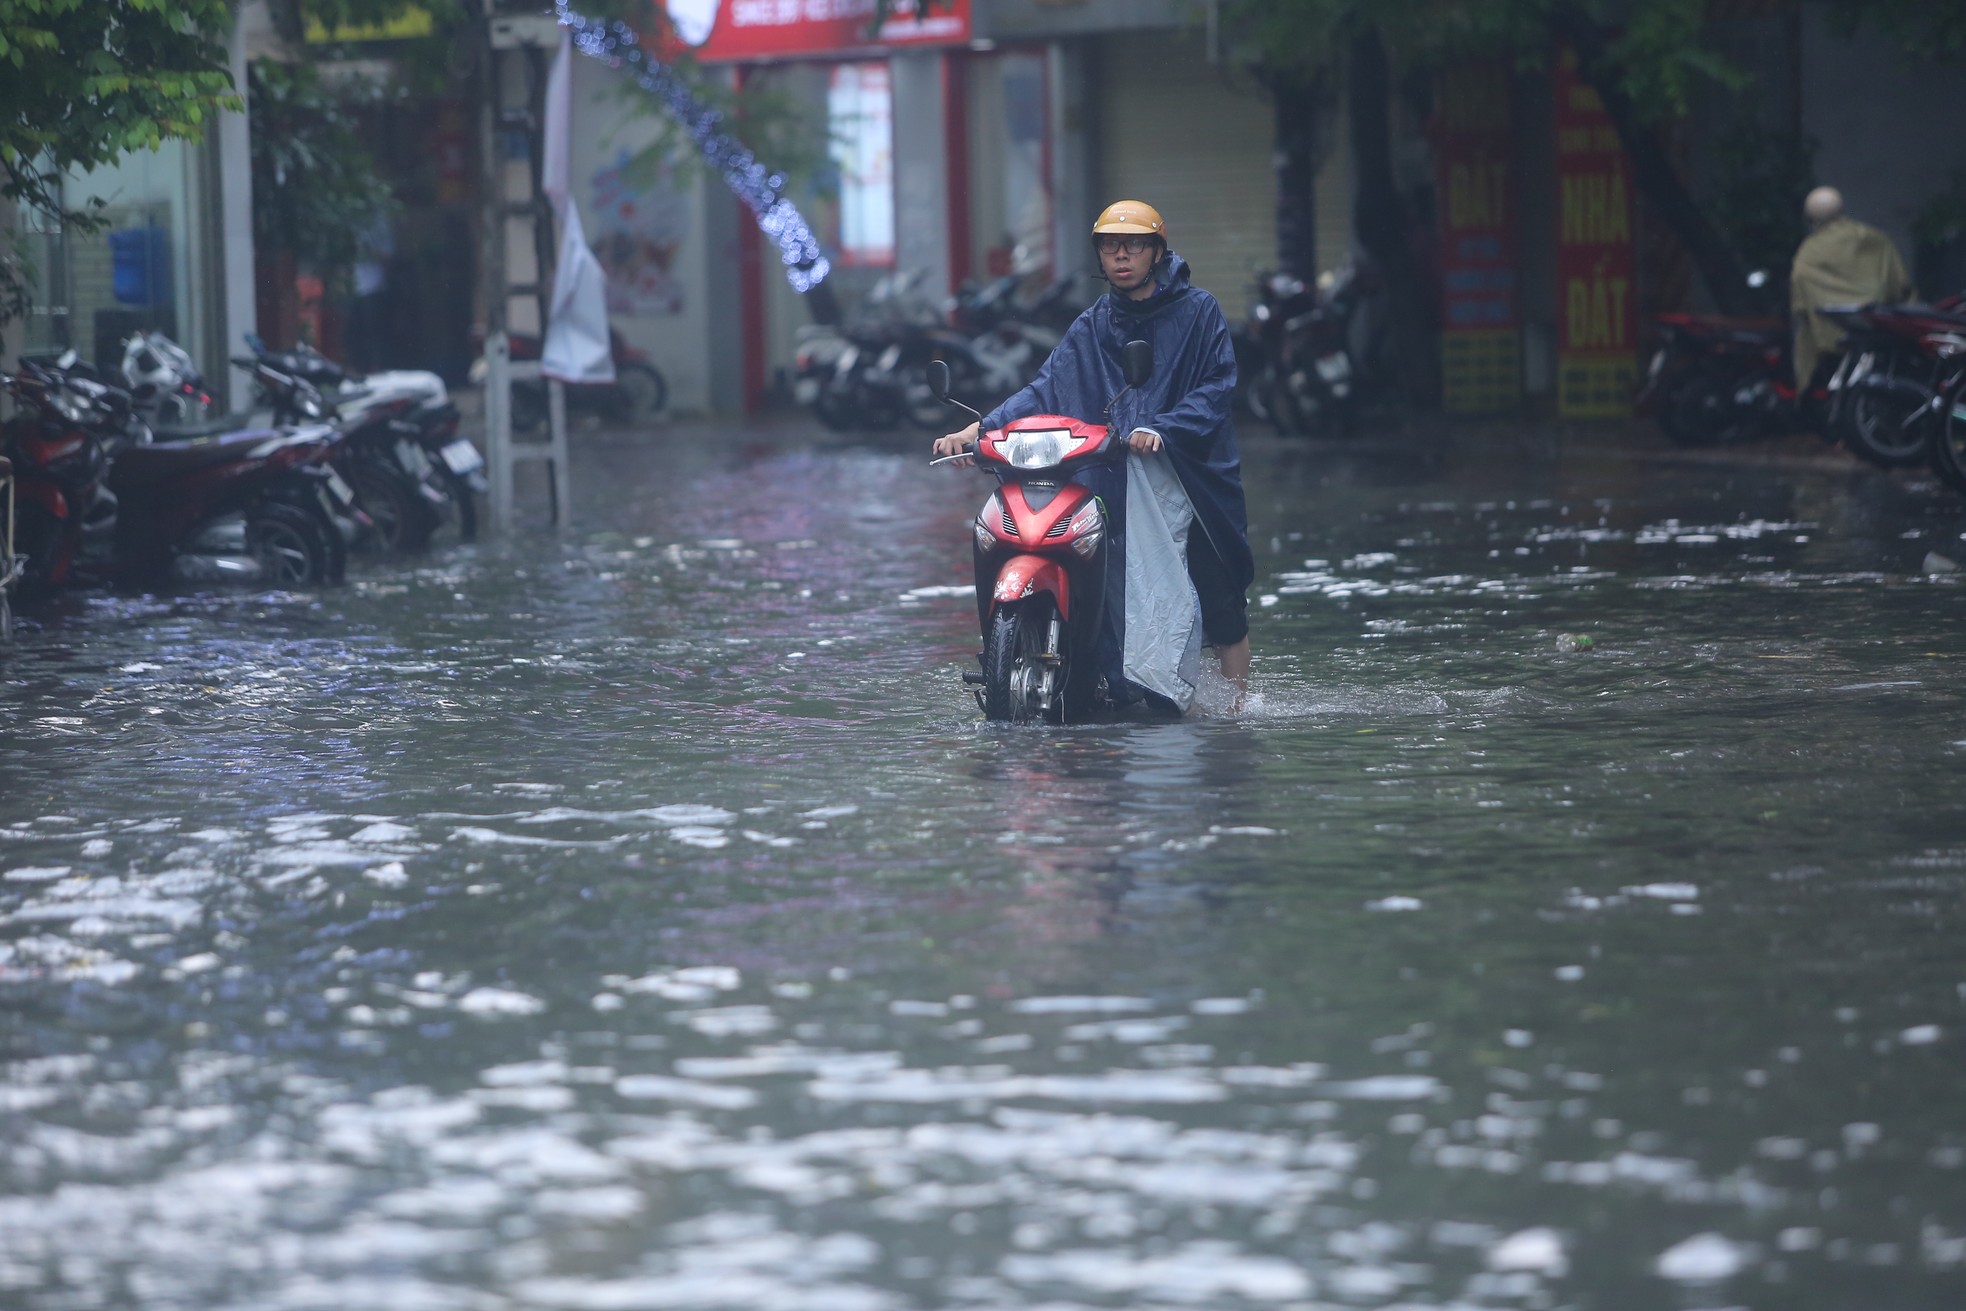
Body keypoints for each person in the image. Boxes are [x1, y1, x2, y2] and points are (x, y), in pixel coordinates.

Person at [934, 200, 1254, 706]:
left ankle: (1237, 712)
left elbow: (1216, 387)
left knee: (1217, 589)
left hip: (1187, 470)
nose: (1121, 256)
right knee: (1097, 565)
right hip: (1110, 464)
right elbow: (1044, 389)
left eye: (1133, 245)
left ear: (1157, 252)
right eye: (1110, 246)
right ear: (1099, 257)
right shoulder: (1093, 324)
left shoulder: (1199, 312)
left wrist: (1162, 428)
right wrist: (980, 429)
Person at [1790, 185, 1912, 390]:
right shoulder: (1873, 238)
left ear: (1810, 217)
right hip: (1881, 328)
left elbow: (1801, 304)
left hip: (1831, 339)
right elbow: (1899, 286)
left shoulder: (1809, 253)